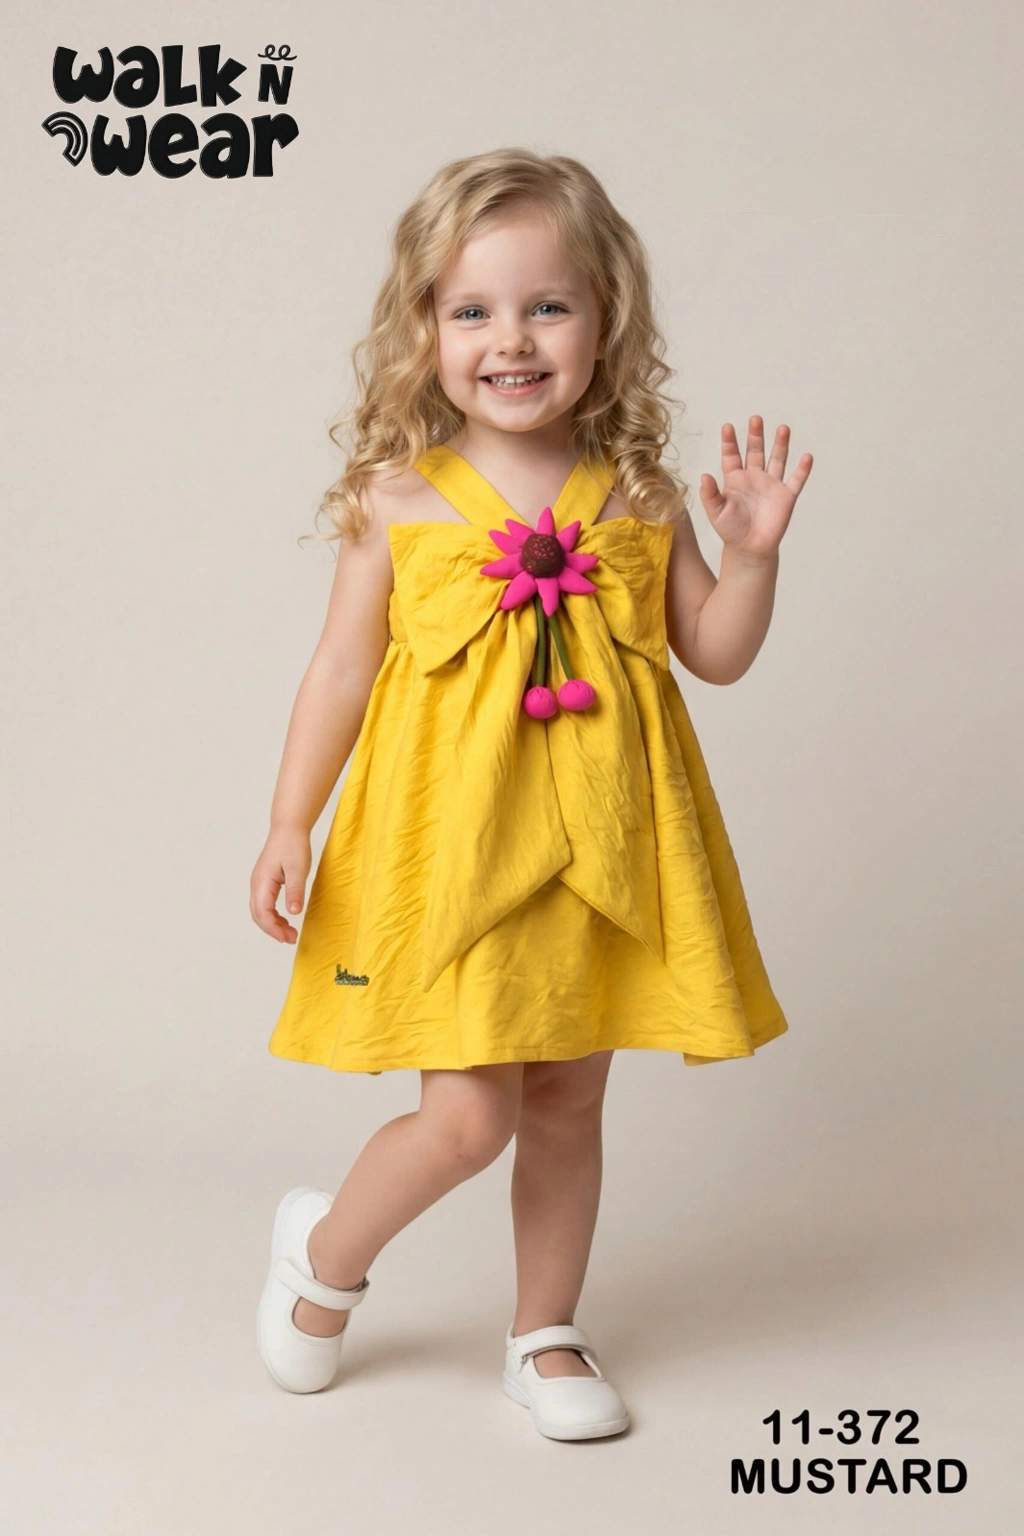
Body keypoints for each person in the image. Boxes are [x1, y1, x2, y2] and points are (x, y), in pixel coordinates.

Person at [250, 146, 813, 1440]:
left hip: (599, 850)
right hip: (451, 855)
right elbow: (340, 668)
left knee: (567, 1097)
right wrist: (289, 821)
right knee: (466, 1116)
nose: (511, 339)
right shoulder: (397, 497)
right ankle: (323, 1260)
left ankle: (544, 1330)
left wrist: (753, 561)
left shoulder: (641, 495)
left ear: (606, 321)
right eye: (473, 310)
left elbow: (713, 653)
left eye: (547, 305)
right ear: (425, 330)